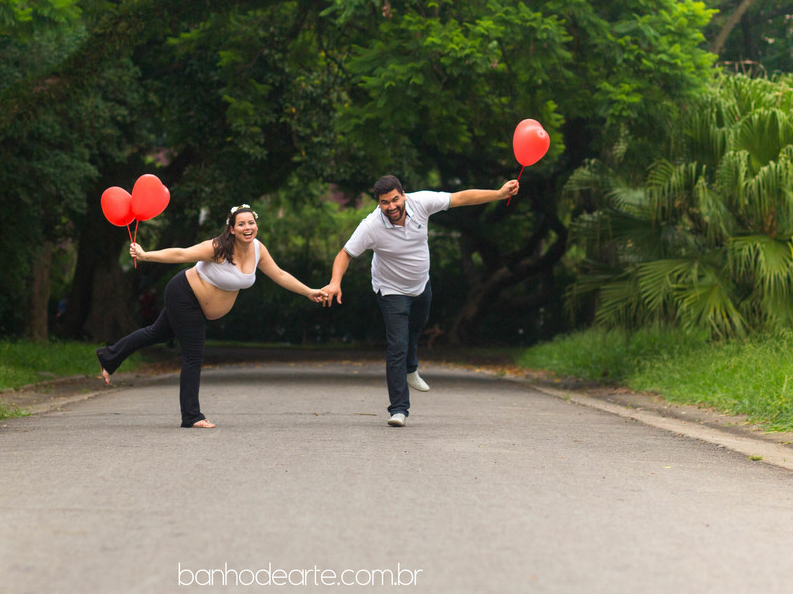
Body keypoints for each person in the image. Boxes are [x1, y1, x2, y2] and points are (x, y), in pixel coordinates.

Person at [97, 204, 327, 428]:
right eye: (241, 224)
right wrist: (145, 255)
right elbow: (182, 253)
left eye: (251, 223)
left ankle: (109, 357)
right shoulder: (218, 248)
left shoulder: (258, 250)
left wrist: (309, 292)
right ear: (231, 228)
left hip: (195, 304)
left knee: (154, 333)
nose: (248, 227)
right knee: (193, 354)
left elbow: (279, 274)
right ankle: (191, 416)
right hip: (184, 295)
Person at [320, 174, 519, 427]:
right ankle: (399, 409)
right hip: (390, 290)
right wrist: (335, 282)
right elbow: (345, 254)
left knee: (417, 327)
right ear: (378, 203)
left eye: (395, 200)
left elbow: (460, 197)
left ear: (403, 194)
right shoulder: (371, 226)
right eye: (384, 203)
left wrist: (499, 194)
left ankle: (411, 368)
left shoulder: (421, 202)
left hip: (421, 285)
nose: (391, 207)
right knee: (397, 346)